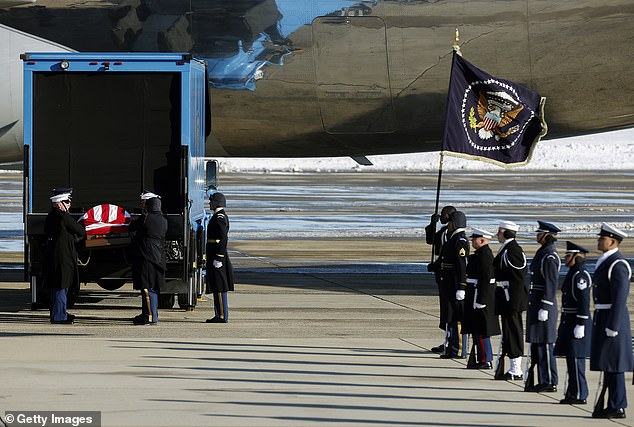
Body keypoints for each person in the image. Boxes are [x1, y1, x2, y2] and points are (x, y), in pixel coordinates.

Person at [590, 223, 633, 419]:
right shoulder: (607, 261)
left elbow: (620, 297)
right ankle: (612, 404)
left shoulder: (618, 264)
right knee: (608, 364)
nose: (599, 241)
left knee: (615, 365)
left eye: (602, 238)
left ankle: (618, 405)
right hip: (603, 317)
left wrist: (613, 325)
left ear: (612, 241)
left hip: (612, 320)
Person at [554, 241, 592, 405]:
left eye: (568, 256)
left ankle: (579, 394)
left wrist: (581, 323)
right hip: (569, 320)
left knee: (576, 359)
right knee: (571, 359)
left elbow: (583, 300)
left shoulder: (580, 275)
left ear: (577, 257)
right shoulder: (574, 272)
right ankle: (572, 392)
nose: (565, 258)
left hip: (577, 320)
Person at [525, 220, 561, 392]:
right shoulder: (543, 253)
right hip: (537, 302)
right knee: (538, 343)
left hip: (543, 304)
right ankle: (543, 379)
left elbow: (550, 283)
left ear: (547, 235)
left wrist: (545, 306)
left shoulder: (550, 256)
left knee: (545, 344)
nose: (537, 236)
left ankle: (550, 381)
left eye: (540, 233)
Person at [43, 188, 85, 324]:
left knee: (57, 286)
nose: (69, 204)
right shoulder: (63, 216)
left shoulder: (51, 216)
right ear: (59, 203)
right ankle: (59, 316)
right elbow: (79, 230)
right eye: (67, 201)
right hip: (63, 256)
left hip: (54, 255)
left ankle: (58, 313)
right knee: (62, 286)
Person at [493, 220, 528, 380]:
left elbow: (518, 278)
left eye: (499, 231)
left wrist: (513, 302)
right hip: (506, 297)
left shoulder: (513, 250)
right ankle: (512, 366)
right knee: (508, 331)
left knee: (514, 331)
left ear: (504, 232)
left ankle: (516, 369)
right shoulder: (508, 248)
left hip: (511, 298)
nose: (497, 234)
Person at [464, 227, 500, 369]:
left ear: (482, 240)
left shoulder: (484, 256)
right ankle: (482, 358)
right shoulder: (480, 254)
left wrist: (481, 300)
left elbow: (486, 279)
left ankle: (486, 359)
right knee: (477, 330)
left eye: (474, 239)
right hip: (475, 294)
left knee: (481, 330)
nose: (472, 241)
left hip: (479, 296)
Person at [130, 190, 167, 326]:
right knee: (153, 288)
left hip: (147, 257)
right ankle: (149, 313)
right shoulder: (162, 219)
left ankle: (150, 316)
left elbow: (132, 228)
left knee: (147, 288)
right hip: (157, 257)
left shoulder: (147, 218)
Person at [438, 210, 469, 358]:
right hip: (448, 283)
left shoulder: (460, 240)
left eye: (450, 222)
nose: (448, 225)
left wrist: (462, 286)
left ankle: (457, 348)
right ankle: (451, 346)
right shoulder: (452, 238)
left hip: (455, 284)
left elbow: (462, 265)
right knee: (449, 315)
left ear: (455, 224)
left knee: (456, 317)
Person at [425, 205, 456, 353]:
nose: (442, 216)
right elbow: (431, 240)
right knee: (444, 310)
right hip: (441, 275)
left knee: (449, 310)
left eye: (444, 214)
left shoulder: (453, 235)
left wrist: (437, 266)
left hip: (449, 276)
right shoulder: (444, 231)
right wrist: (432, 224)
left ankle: (452, 341)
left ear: (450, 216)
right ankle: (447, 340)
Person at [205, 191, 234, 323]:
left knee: (220, 286)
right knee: (217, 286)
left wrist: (219, 257)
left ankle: (222, 315)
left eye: (211, 202)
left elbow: (223, 238)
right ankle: (219, 314)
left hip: (218, 256)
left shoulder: (220, 218)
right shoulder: (217, 216)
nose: (209, 204)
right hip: (215, 254)